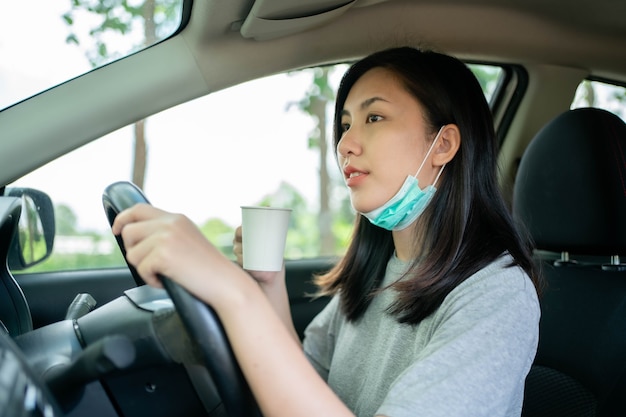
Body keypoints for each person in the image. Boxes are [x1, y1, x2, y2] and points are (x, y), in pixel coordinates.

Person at [112, 46, 543, 417]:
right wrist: (267, 284)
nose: (346, 144)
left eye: (374, 117)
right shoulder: (374, 274)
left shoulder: (497, 295)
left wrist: (232, 293)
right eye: (345, 124)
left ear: (444, 145)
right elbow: (300, 385)